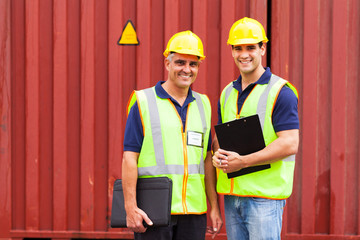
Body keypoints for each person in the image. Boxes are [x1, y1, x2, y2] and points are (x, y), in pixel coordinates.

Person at [122, 30, 223, 240]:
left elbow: (206, 160)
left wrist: (214, 207)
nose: (186, 69)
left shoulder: (204, 104)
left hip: (194, 212)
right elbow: (129, 157)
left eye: (193, 64)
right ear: (167, 64)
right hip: (153, 210)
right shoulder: (143, 102)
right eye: (180, 62)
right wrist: (130, 208)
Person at [212, 17, 299, 240]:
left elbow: (290, 143)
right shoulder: (226, 93)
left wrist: (243, 161)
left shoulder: (281, 91)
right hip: (233, 197)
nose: (244, 54)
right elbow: (220, 139)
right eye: (238, 48)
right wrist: (217, 155)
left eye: (251, 47)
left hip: (264, 199)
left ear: (262, 48)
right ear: (231, 51)